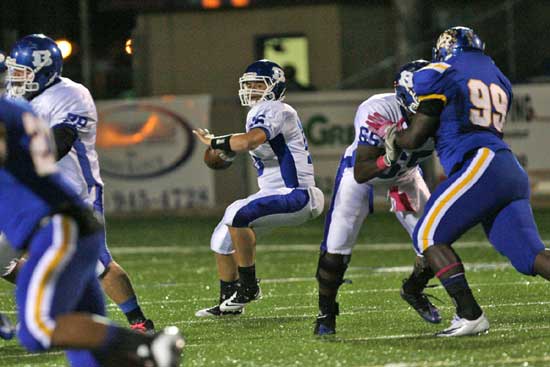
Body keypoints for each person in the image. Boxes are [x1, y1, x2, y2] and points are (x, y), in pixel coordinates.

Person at [386, 26, 550, 336]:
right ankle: (464, 312)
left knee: (427, 236)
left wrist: (397, 138)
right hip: (508, 168)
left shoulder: (439, 72)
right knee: (531, 255)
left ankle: (469, 314)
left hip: (480, 163)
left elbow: (418, 134)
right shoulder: (497, 76)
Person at [0, 97, 184, 366]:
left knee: (37, 329)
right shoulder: (18, 110)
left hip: (55, 227)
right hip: (67, 224)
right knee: (86, 351)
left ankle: (149, 345)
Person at [2, 34, 154, 333]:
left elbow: (59, 143)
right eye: (14, 72)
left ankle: (138, 322)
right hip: (26, 193)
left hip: (72, 190)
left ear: (45, 71)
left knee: (98, 264)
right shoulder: (13, 94)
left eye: (23, 73)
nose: (16, 80)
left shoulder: (71, 95)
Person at [313, 60, 441, 336]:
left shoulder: (445, 111)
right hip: (366, 172)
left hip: (406, 174)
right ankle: (326, 312)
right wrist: (386, 159)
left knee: (436, 244)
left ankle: (413, 290)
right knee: (335, 253)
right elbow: (361, 172)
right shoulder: (379, 109)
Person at [193, 59, 324, 316]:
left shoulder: (276, 108)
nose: (251, 88)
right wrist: (223, 152)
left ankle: (249, 286)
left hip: (297, 194)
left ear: (274, 87)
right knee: (221, 240)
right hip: (274, 195)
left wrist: (216, 140)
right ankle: (229, 301)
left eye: (257, 84)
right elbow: (248, 146)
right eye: (248, 84)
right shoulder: (258, 113)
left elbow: (252, 140)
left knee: (236, 213)